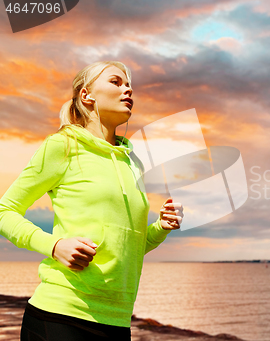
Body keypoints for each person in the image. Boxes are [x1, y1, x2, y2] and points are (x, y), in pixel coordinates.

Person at [0, 61, 184, 340]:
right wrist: (54, 245)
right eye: (116, 82)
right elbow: (5, 211)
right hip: (61, 316)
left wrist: (161, 227)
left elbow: (128, 248)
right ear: (87, 95)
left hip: (118, 322)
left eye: (129, 84)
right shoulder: (63, 145)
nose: (128, 89)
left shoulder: (132, 161)